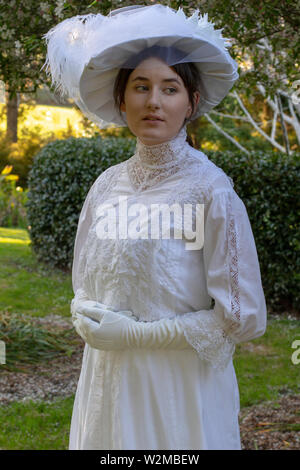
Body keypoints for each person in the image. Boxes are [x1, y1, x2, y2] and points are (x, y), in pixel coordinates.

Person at [44, 4, 267, 450]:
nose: (153, 101)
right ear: (121, 99)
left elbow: (242, 317)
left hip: (177, 387)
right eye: (141, 87)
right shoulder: (106, 186)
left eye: (170, 88)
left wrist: (136, 335)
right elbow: (85, 281)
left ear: (192, 103)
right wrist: (84, 313)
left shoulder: (210, 191)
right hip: (107, 381)